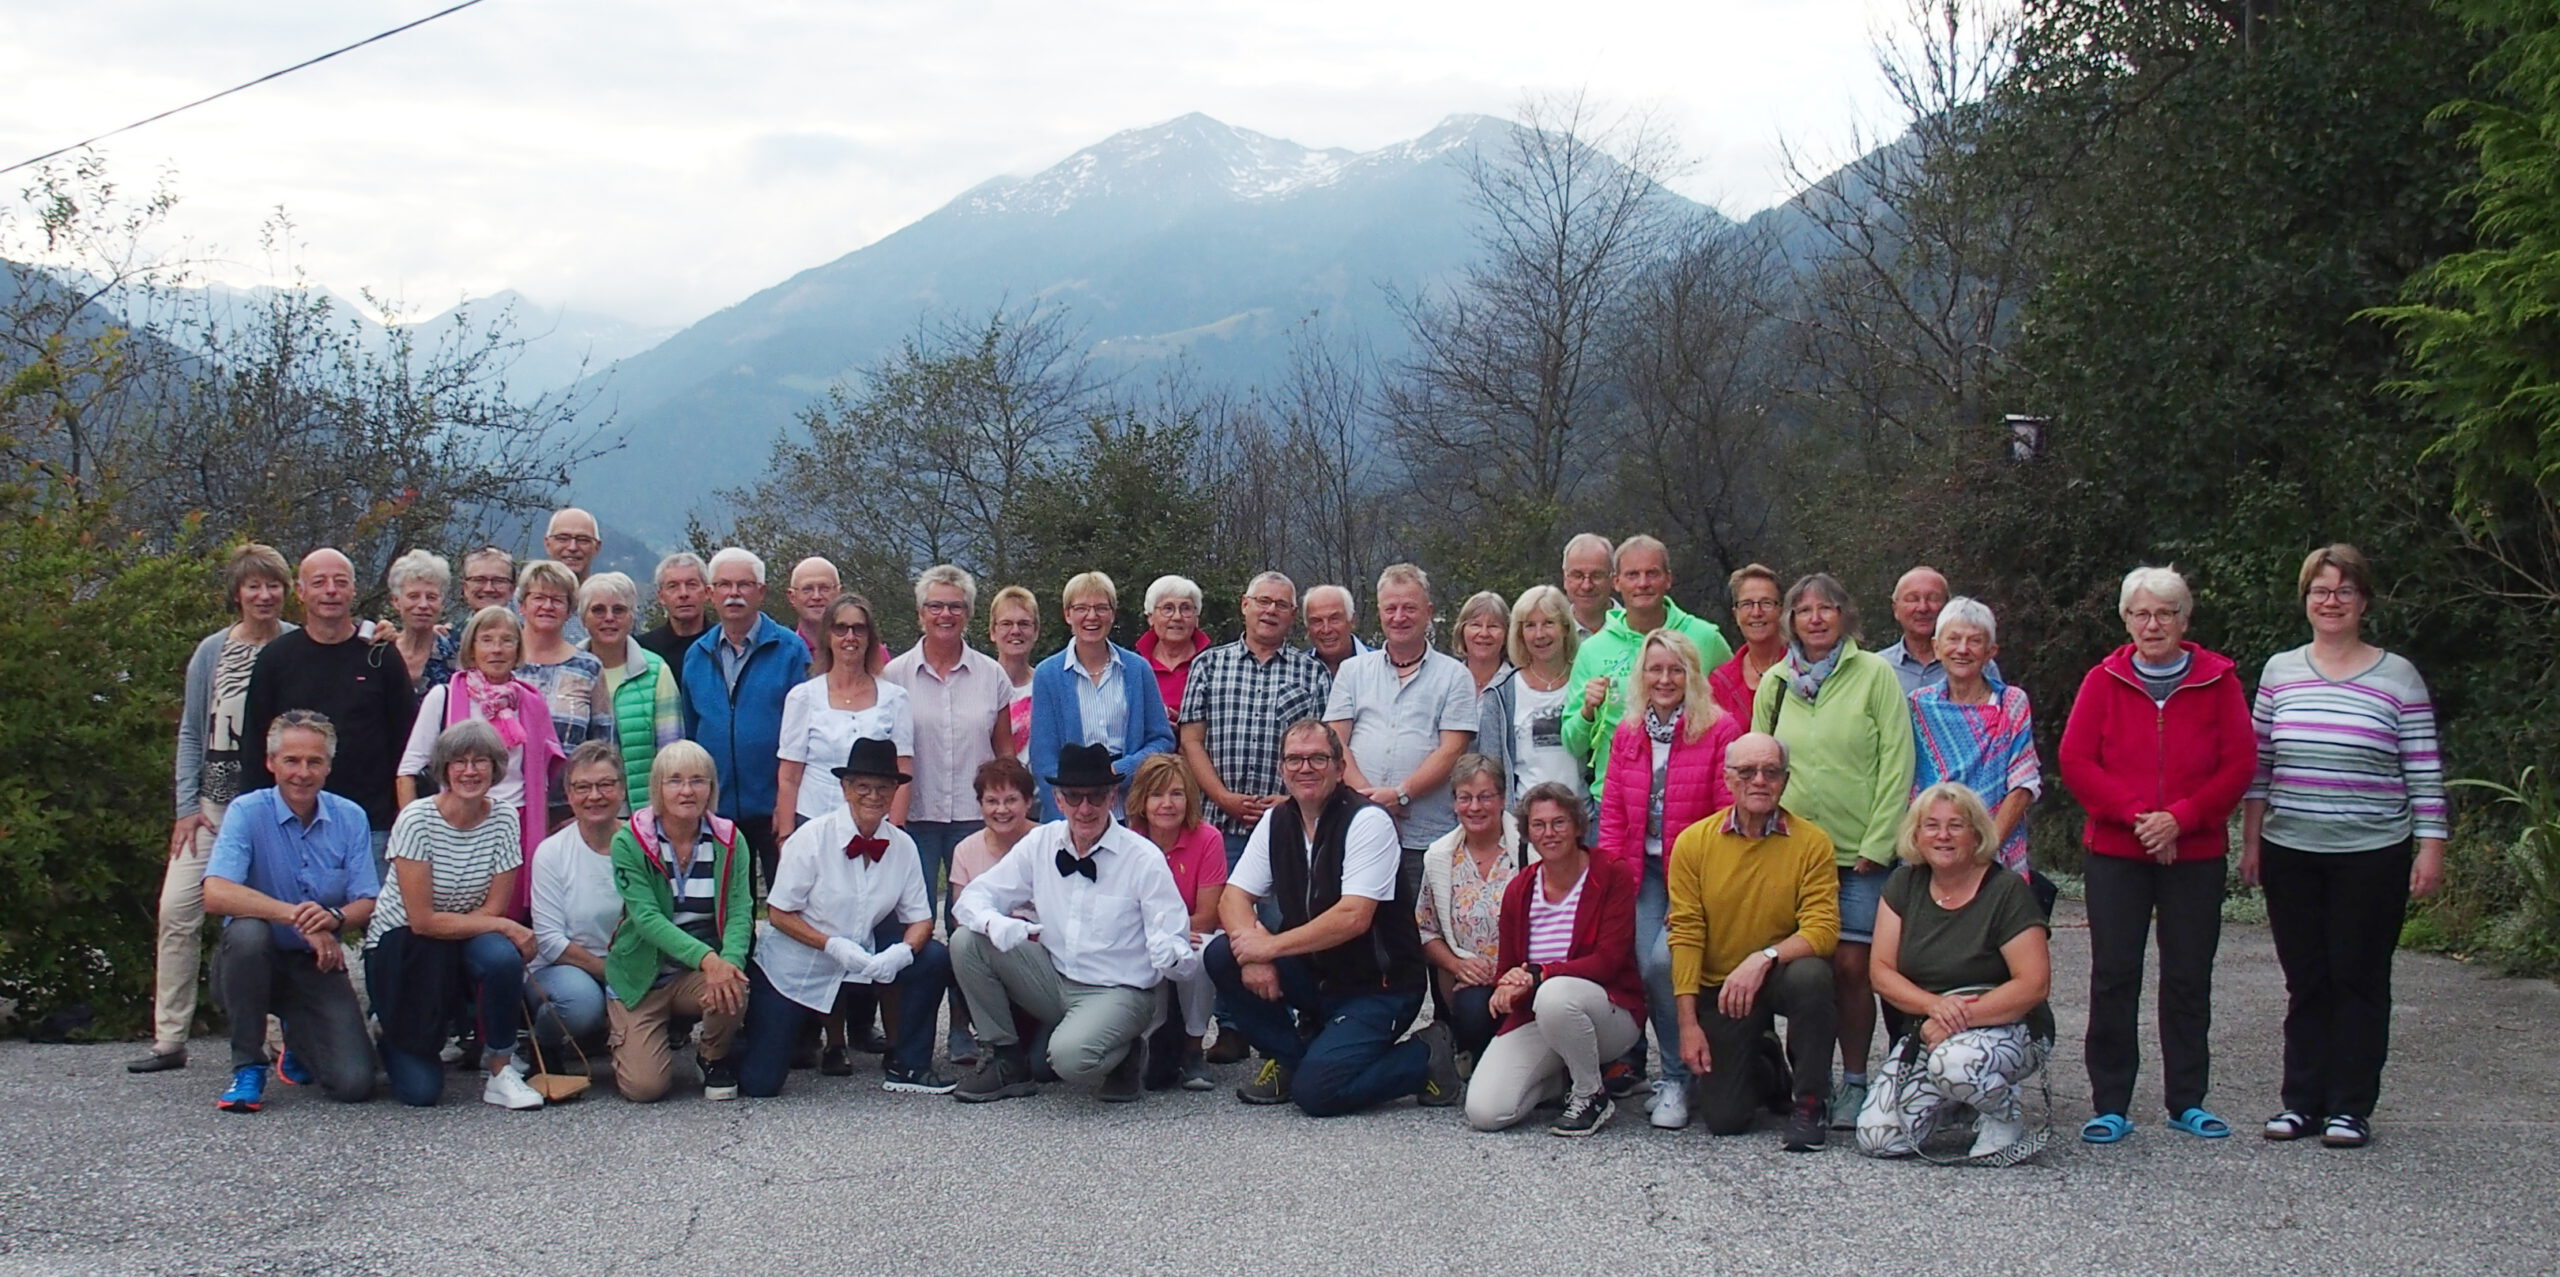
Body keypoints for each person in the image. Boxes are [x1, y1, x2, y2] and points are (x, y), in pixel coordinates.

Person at [2242, 544, 2448, 1149]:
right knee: (2306, 979)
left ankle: (2350, 1107)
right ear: (2306, 601)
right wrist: (2251, 841)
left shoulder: (2397, 675)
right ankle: (2300, 1102)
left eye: (2344, 591)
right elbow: (2261, 767)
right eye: (2320, 591)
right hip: (2291, 848)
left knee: (2358, 978)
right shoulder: (2279, 671)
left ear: (2364, 601)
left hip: (2373, 851)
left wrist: (2431, 845)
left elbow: (2424, 768)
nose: (2331, 602)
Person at [2057, 565, 2255, 1145]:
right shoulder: (2102, 680)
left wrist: (2181, 820)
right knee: (2115, 975)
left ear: (2184, 620)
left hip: (2195, 850)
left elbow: (2239, 764)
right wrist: (2143, 818)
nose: (2152, 624)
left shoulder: (2220, 681)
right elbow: (2077, 760)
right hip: (2118, 848)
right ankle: (2110, 1102)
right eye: (2141, 613)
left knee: (2188, 976)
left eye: (2165, 613)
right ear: (2126, 620)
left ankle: (2187, 1099)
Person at [1206, 720, 1462, 1115]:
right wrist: (1253, 954)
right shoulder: (1277, 821)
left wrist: (1269, 945)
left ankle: (1425, 1055)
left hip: (1380, 988)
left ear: (1340, 768)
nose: (1304, 768)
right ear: (1281, 768)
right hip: (1317, 977)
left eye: (1317, 758)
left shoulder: (1368, 821)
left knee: (1318, 1096)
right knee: (1223, 953)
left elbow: (1353, 918)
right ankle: (1293, 1060)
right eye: (1294, 759)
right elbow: (1233, 897)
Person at [1749, 571, 1914, 1129]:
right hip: (1792, 851)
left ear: (1845, 615)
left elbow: (1898, 761)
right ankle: (1806, 1085)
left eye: (1826, 608)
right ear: (1789, 620)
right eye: (1803, 610)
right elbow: (1757, 765)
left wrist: (1879, 841)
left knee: (1851, 967)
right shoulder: (1774, 683)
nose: (1815, 619)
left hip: (1859, 854)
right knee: (1804, 969)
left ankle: (1857, 1081)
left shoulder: (1875, 675)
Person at [949, 743, 1202, 1103]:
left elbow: (1180, 949)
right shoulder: (1041, 842)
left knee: (1069, 1061)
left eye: (1096, 796)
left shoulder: (1142, 858)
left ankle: (1127, 1051)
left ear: (1112, 795)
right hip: (1054, 979)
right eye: (1074, 796)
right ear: (1059, 798)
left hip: (1119, 991)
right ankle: (1006, 1061)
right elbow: (973, 898)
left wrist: (1171, 955)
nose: (1085, 808)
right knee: (967, 942)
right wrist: (993, 922)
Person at [134, 542, 296, 1075]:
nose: (264, 595)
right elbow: (191, 730)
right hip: (212, 805)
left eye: (273, 585)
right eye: (254, 586)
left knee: (271, 919)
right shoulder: (212, 651)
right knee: (178, 909)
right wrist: (185, 805)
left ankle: (277, 1038)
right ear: (237, 594)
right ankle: (169, 1038)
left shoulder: (296, 645)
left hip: (272, 806)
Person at [740, 737, 955, 1097]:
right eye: (863, 787)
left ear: (894, 793)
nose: (873, 796)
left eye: (883, 788)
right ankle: (727, 1048)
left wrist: (901, 952)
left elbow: (921, 919)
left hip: (861, 959)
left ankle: (910, 1064)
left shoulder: (902, 846)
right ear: (844, 788)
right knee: (760, 1083)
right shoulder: (810, 839)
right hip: (794, 969)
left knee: (931, 957)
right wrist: (830, 944)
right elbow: (777, 913)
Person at [1855, 782, 2054, 1161]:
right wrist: (1934, 1007)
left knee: (1954, 1063)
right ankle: (1956, 1100)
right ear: (1916, 834)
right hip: (1934, 1027)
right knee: (1878, 1139)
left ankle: (2003, 1114)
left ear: (1978, 833)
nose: (1942, 836)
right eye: (1931, 826)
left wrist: (1955, 1020)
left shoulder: (2007, 890)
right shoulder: (1903, 885)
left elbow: (2033, 984)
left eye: (1956, 825)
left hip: (2007, 1025)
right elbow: (1881, 971)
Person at [199, 710, 381, 1111]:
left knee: (355, 1084)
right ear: (270, 763)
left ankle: (299, 1039)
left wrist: (335, 919)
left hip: (314, 964)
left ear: (329, 767)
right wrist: (296, 916)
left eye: (314, 762)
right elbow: (215, 892)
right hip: (249, 961)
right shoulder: (247, 811)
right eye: (291, 761)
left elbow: (368, 900)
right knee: (248, 933)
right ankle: (248, 1066)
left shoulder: (350, 817)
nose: (302, 772)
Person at [1667, 731, 1840, 1151]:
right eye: (1746, 771)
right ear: (1727, 779)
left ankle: (1810, 1102)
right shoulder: (1693, 844)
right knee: (1725, 1120)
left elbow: (1823, 930)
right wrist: (1687, 1025)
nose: (1759, 780)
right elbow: (1686, 935)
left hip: (1778, 972)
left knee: (1813, 976)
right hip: (1722, 987)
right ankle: (1765, 1059)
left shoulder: (1812, 843)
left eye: (1770, 771)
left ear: (1785, 779)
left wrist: (1763, 958)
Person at [1599, 628, 1742, 1129]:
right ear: (1642, 675)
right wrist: (1613, 881)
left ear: (1691, 675)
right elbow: (1613, 811)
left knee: (1666, 961)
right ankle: (1673, 1074)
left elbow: (1730, 812)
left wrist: (1712, 879)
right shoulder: (1628, 731)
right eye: (1656, 669)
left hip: (1696, 873)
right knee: (1640, 960)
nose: (1665, 679)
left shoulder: (1718, 729)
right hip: (1644, 869)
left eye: (1675, 669)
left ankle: (1682, 1076)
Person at [363, 719, 545, 1110]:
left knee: (500, 956)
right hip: (403, 947)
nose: (470, 771)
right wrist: (503, 925)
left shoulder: (504, 818)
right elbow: (422, 921)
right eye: (458, 761)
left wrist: (495, 925)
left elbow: (494, 906)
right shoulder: (416, 818)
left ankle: (499, 1067)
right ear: (443, 768)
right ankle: (389, 1031)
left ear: (495, 768)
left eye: (481, 761)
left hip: (460, 934)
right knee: (422, 1094)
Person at [1462, 783, 1643, 1136]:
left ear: (1578, 825)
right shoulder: (1520, 888)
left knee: (1555, 993)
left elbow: (1608, 961)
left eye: (1559, 823)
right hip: (1541, 1013)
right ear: (1528, 833)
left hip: (1608, 1012)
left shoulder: (1611, 874)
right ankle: (1567, 1080)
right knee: (1486, 1112)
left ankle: (1591, 1095)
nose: (1549, 833)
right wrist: (1508, 985)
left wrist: (1539, 974)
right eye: (1539, 825)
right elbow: (1510, 967)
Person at [242, 548, 419, 864]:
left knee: (369, 912)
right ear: (300, 591)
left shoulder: (380, 656)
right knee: (292, 913)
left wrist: (404, 813)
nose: (331, 591)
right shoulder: (276, 659)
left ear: (353, 589)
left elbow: (408, 741)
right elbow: (256, 745)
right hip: (293, 821)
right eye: (319, 582)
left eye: (340, 582)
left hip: (372, 823)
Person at [602, 741, 750, 1103]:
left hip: (696, 977)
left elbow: (740, 910)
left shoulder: (730, 841)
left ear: (711, 789)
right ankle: (641, 1033)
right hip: (643, 977)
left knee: (735, 985)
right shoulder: (629, 842)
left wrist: (727, 963)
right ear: (657, 788)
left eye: (698, 780)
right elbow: (647, 918)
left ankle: (711, 1055)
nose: (687, 790)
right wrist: (709, 960)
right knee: (645, 1089)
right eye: (675, 781)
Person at [1323, 563, 1478, 899]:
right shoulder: (1352, 672)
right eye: (1390, 608)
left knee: (1419, 937)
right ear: (1379, 612)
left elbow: (1452, 750)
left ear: (1428, 613)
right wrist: (1370, 802)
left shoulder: (1455, 676)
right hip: (1356, 827)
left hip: (1425, 837)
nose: (1399, 617)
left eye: (1409, 608)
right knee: (1353, 936)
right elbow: (1335, 742)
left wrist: (1400, 794)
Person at [395, 606, 562, 909]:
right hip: (456, 822)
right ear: (472, 647)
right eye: (487, 639)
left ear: (518, 648)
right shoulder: (443, 697)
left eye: (507, 640)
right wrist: (413, 831)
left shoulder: (532, 703)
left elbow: (545, 775)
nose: (497, 649)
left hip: (517, 822)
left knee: (507, 919)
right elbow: (409, 769)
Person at [1561, 534, 1735, 822]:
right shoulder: (1593, 650)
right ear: (1616, 582)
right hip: (1618, 806)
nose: (1643, 583)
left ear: (1668, 579)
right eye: (1632, 575)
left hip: (1693, 805)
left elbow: (1736, 712)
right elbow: (1572, 743)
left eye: (1652, 573)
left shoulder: (1705, 638)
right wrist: (1587, 712)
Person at [1178, 572, 1334, 867]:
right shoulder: (1208, 665)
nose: (1270, 610)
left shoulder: (1313, 674)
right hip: (1216, 828)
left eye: (1281, 604)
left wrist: (1292, 802)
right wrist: (1224, 797)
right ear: (1245, 605)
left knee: (1285, 914)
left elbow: (1326, 753)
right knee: (1219, 912)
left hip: (1289, 828)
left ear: (1292, 615)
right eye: (1263, 601)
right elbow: (1191, 742)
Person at [883, 564, 1014, 912]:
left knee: (973, 914)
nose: (945, 614)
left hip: (976, 815)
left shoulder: (992, 674)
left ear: (968, 613)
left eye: (955, 606)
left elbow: (1004, 750)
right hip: (914, 815)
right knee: (914, 913)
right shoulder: (894, 676)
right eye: (935, 606)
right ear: (920, 614)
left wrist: (1007, 806)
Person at [681, 547, 810, 886]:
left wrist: (786, 806)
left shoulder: (789, 650)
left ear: (761, 592)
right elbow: (692, 734)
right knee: (727, 906)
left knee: (787, 901)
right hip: (717, 812)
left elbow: (802, 734)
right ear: (710, 594)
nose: (734, 594)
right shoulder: (697, 655)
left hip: (774, 807)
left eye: (744, 585)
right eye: (724, 585)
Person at [1909, 597, 2041, 879]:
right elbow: (1912, 785)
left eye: (1974, 641)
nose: (1962, 649)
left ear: (1991, 651)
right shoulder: (1918, 706)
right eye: (1953, 639)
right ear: (1937, 647)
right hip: (1933, 854)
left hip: (1996, 851)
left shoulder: (2011, 703)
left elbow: (2023, 783)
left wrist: (1984, 848)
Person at [1026, 571, 1175, 819]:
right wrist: (1067, 813)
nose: (1092, 616)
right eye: (1081, 608)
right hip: (1072, 811)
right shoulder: (1048, 674)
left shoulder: (1138, 670)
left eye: (1101, 608)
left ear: (1113, 614)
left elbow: (1161, 740)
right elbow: (1043, 758)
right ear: (1067, 615)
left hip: (1131, 808)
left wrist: (1121, 771)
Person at [1415, 756, 1527, 1067]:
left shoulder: (1528, 850)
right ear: (1454, 803)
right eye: (1465, 798)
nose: (1475, 807)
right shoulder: (1439, 858)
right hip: (1471, 984)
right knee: (1474, 1009)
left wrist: (1517, 973)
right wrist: (1455, 964)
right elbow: (1425, 929)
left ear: (1503, 799)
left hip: (1524, 976)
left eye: (1485, 797)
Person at [775, 593, 916, 837]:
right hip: (812, 823)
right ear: (828, 636)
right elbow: (789, 777)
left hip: (875, 828)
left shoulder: (896, 698)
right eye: (841, 628)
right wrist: (786, 837)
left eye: (858, 629)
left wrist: (894, 831)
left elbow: (903, 771)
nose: (850, 637)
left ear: (870, 637)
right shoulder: (803, 697)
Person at [1125, 753, 1227, 1091]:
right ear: (1141, 799)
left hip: (1191, 933)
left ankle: (1194, 1049)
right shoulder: (1128, 840)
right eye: (1156, 795)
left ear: (1190, 798)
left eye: (1177, 794)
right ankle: (1141, 1046)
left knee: (1200, 954)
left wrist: (1173, 933)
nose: (1166, 804)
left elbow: (1208, 915)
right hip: (1143, 937)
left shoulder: (1208, 838)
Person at [525, 742, 627, 1054]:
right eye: (582, 787)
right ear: (568, 795)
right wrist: (614, 974)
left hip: (628, 967)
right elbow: (550, 940)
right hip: (563, 969)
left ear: (622, 790)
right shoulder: (552, 852)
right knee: (582, 1005)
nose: (594, 796)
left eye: (605, 785)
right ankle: (541, 1044)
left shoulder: (642, 844)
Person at [945, 757, 1039, 1065]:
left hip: (1043, 961)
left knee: (1042, 1066)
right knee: (961, 941)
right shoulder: (966, 850)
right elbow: (961, 916)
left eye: (1011, 800)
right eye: (991, 801)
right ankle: (997, 1044)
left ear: (1028, 801)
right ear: (980, 805)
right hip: (992, 957)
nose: (1002, 810)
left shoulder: (1047, 841)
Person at [513, 558, 615, 831]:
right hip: (505, 809)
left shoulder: (588, 667)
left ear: (569, 610)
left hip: (569, 813)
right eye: (538, 598)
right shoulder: (501, 662)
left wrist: (588, 811)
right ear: (522, 605)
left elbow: (604, 745)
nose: (547, 606)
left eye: (557, 600)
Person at [579, 570, 681, 812]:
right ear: (583, 618)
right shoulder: (570, 672)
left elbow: (671, 752)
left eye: (619, 610)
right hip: (585, 811)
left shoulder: (655, 672)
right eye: (598, 610)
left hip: (643, 813)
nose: (609, 618)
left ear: (631, 617)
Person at [1473, 585, 1581, 805]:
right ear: (1520, 634)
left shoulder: (1587, 682)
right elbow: (1491, 774)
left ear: (1566, 628)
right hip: (1524, 824)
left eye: (1548, 623)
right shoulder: (1501, 694)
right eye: (1530, 626)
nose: (1539, 634)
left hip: (1584, 820)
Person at [1874, 565, 2004, 695]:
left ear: (1947, 606)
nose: (1923, 608)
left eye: (1933, 598)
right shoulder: (1878, 667)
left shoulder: (1976, 663)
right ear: (1896, 609)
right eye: (1913, 599)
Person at [1708, 563, 1786, 723]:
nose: (1756, 613)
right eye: (1747, 604)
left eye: (1766, 603)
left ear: (1781, 611)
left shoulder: (1803, 669)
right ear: (1736, 614)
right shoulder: (1720, 683)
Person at [386, 549, 453, 706]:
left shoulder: (454, 655)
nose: (423, 605)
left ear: (442, 603)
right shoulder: (379, 654)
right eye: (413, 596)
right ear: (396, 601)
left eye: (431, 597)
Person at [637, 551, 712, 687]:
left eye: (691, 584)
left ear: (707, 592)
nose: (683, 594)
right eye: (673, 586)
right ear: (661, 596)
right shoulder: (644, 650)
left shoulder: (725, 644)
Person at [1139, 574, 1207, 717]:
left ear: (1197, 618)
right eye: (1167, 608)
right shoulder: (1133, 666)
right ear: (1150, 617)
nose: (1177, 617)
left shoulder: (1213, 666)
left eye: (1186, 608)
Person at [989, 584, 1040, 761]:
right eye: (1006, 624)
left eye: (1024, 624)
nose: (1015, 631)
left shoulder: (1045, 685)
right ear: (993, 632)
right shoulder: (979, 686)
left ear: (1036, 632)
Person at [786, 556, 843, 675]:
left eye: (824, 588)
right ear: (792, 597)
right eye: (807, 589)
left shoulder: (868, 651)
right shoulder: (779, 654)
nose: (816, 596)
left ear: (838, 593)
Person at [1453, 590, 1512, 695]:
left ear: (1507, 634)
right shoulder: (1447, 681)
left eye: (1493, 626)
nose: (1484, 633)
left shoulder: (1519, 685)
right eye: (1476, 625)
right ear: (1461, 631)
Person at [1559, 532, 1616, 639]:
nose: (1587, 586)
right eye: (1577, 575)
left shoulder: (1636, 628)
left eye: (1596, 576)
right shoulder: (1552, 637)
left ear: (1613, 579)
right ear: (1565, 579)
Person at [1303, 583, 1365, 677]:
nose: (1326, 630)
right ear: (1308, 628)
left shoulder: (1381, 667)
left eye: (1334, 619)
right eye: (1317, 621)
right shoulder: (1297, 671)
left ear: (1352, 620)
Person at [544, 508, 602, 582]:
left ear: (597, 547)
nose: (572, 547)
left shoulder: (610, 593)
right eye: (563, 538)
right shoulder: (526, 591)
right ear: (547, 544)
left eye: (582, 540)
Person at [458, 546, 518, 614]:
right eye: (479, 580)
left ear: (512, 589)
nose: (488, 589)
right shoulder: (453, 624)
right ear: (465, 587)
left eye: (498, 581)